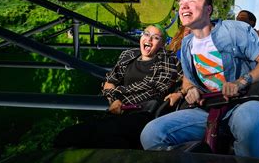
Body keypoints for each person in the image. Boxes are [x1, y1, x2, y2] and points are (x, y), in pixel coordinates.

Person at [140, 0, 259, 158]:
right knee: (151, 133)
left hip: (241, 104)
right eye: (181, 4)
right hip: (207, 111)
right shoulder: (186, 45)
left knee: (250, 121)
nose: (184, 7)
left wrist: (241, 81)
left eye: (191, 1)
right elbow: (187, 78)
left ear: (208, 9)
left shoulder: (234, 30)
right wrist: (189, 89)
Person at [53, 24, 181, 150]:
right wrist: (114, 99)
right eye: (146, 34)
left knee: (92, 138)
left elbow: (184, 77)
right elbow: (110, 81)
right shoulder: (128, 56)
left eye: (156, 37)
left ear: (162, 44)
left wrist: (180, 92)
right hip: (120, 113)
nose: (149, 39)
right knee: (68, 137)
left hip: (144, 114)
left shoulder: (168, 60)